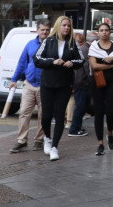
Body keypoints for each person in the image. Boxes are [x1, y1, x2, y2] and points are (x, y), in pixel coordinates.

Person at [32, 16, 83, 161]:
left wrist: (71, 63)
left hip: (64, 84)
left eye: (68, 25)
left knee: (60, 116)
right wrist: (52, 61)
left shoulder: (73, 43)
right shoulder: (49, 41)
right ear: (58, 26)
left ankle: (55, 147)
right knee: (46, 116)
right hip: (48, 84)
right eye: (64, 25)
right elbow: (37, 59)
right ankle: (47, 138)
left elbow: (81, 60)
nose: (66, 28)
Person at [9, 21, 50, 153]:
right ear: (37, 30)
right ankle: (22, 141)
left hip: (45, 86)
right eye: (42, 29)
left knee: (43, 115)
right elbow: (22, 62)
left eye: (47, 30)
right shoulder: (30, 45)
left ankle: (39, 140)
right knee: (24, 112)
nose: (44, 32)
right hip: (29, 84)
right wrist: (14, 79)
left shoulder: (52, 45)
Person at [88, 22, 113, 155]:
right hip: (97, 81)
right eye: (101, 30)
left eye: (106, 30)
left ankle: (110, 134)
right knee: (98, 111)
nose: (104, 32)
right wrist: (110, 66)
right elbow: (94, 66)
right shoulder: (93, 47)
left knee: (110, 110)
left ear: (110, 32)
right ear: (98, 33)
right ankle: (100, 144)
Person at [67, 30, 92, 137]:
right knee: (80, 106)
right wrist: (91, 81)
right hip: (82, 82)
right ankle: (74, 129)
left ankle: (77, 127)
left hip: (79, 81)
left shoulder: (83, 49)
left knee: (81, 106)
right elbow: (87, 68)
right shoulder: (86, 50)